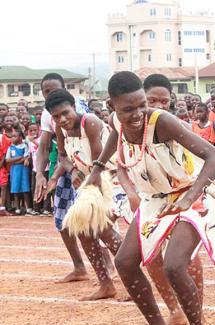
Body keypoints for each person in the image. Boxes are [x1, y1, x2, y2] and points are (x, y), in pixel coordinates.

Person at [86, 71, 215, 325]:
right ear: (113, 107)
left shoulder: (163, 122)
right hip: (155, 199)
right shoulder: (116, 119)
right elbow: (116, 134)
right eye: (129, 109)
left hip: (192, 192)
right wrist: (98, 168)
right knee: (125, 262)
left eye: (142, 105)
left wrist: (189, 199)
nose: (138, 113)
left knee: (174, 264)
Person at [45, 88, 125, 300]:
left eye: (65, 113)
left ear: (74, 107)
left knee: (104, 228)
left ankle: (134, 280)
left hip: (113, 179)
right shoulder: (59, 128)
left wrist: (86, 179)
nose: (62, 119)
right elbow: (62, 156)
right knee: (82, 228)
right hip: (89, 182)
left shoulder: (89, 122)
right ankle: (106, 284)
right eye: (56, 116)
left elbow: (99, 162)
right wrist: (72, 171)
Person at [142, 73, 205, 325]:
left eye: (164, 102)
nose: (158, 107)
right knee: (152, 252)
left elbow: (205, 162)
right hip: (153, 200)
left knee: (184, 257)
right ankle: (174, 308)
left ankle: (196, 312)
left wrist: (196, 197)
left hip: (186, 196)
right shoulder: (132, 130)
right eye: (152, 100)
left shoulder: (179, 128)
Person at [34, 73, 88, 283]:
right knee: (62, 219)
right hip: (66, 166)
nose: (51, 94)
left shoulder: (77, 108)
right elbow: (44, 147)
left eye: (55, 90)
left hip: (86, 166)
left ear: (65, 89)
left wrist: (58, 174)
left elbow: (78, 149)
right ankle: (79, 267)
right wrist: (41, 174)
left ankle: (111, 266)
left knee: (87, 220)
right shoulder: (48, 115)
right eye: (46, 91)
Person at [6, 127, 31, 215]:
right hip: (15, 171)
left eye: (15, 136)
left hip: (23, 170)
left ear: (20, 137)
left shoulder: (24, 146)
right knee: (15, 189)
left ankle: (28, 208)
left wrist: (16, 160)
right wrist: (19, 158)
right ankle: (17, 208)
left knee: (25, 188)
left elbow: (26, 157)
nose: (12, 138)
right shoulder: (11, 148)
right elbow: (7, 160)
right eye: (11, 137)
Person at [0, 115, 16, 215]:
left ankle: (4, 208)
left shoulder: (16, 134)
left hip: (7, 166)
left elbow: (4, 154)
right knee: (4, 186)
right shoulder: (2, 136)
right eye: (7, 120)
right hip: (3, 166)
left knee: (6, 186)